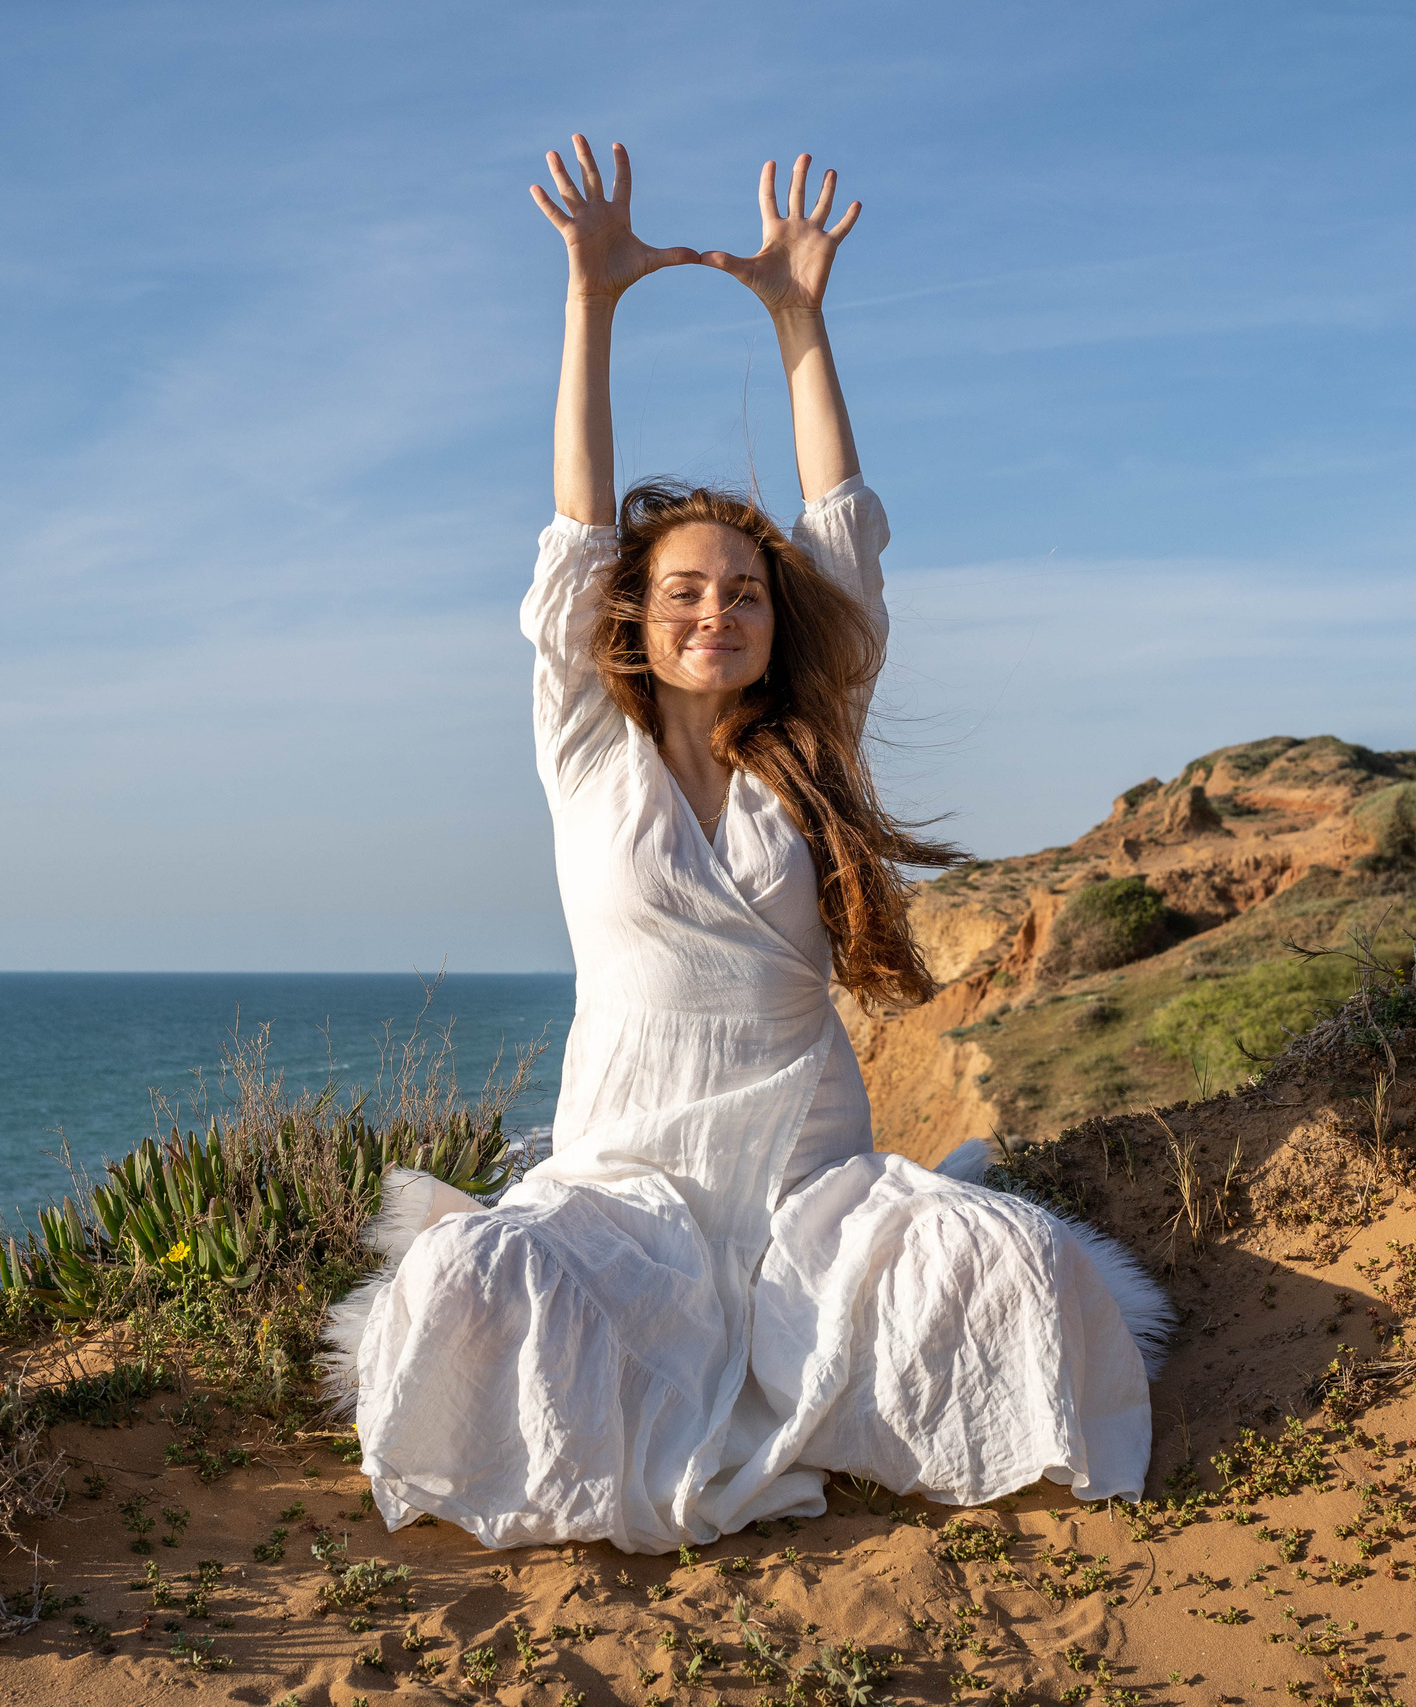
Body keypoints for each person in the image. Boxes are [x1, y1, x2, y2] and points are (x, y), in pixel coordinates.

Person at [322, 139, 1170, 1553]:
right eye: (684, 594)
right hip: (627, 1180)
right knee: (470, 1285)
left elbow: (842, 540)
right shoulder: (588, 743)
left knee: (1017, 1264)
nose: (716, 613)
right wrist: (591, 301)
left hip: (806, 1179)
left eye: (743, 596)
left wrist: (800, 321)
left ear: (775, 623)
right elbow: (576, 524)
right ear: (637, 619)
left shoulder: (809, 744)